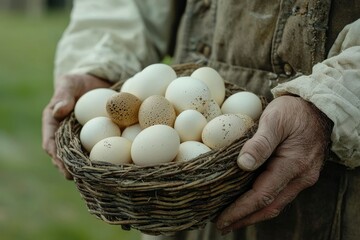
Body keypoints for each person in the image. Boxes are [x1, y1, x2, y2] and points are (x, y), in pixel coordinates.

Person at [42, 1, 360, 239]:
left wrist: (331, 103)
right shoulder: (165, 117)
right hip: (173, 193)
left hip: (335, 188)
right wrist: (99, 64)